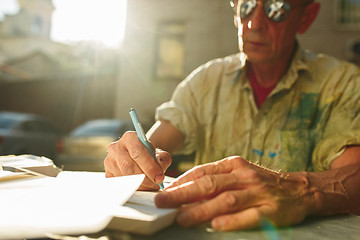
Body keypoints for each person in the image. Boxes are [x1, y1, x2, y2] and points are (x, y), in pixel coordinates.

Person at [104, 0, 360, 231]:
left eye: (276, 8)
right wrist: (136, 160)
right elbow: (154, 146)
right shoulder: (206, 81)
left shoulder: (342, 85)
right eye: (246, 6)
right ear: (235, 12)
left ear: (306, 17)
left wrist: (300, 190)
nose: (254, 22)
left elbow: (354, 177)